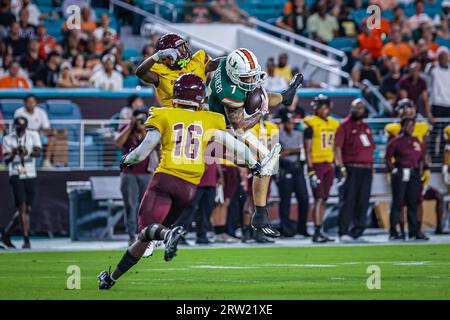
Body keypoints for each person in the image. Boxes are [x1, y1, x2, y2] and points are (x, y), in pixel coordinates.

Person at [97, 73, 227, 290]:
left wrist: (126, 159)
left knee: (147, 230)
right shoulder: (210, 119)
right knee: (146, 237)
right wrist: (255, 163)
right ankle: (111, 278)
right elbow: (233, 145)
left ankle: (169, 234)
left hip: (166, 178)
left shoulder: (163, 114)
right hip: (189, 187)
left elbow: (143, 151)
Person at [207, 48, 304, 238]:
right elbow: (240, 128)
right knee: (264, 164)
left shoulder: (226, 62)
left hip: (216, 116)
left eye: (251, 76)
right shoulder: (230, 92)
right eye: (246, 77)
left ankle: (285, 96)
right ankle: (260, 216)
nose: (250, 80)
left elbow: (209, 65)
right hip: (220, 128)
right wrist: (262, 112)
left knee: (257, 94)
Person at [135, 33, 221, 108]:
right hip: (172, 118)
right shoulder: (160, 70)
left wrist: (231, 57)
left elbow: (216, 63)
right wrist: (157, 55)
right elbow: (140, 73)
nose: (184, 52)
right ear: (165, 57)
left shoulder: (197, 60)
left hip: (197, 114)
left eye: (183, 47)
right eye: (179, 50)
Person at [115, 107, 157, 245]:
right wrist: (130, 126)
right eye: (139, 117)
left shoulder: (150, 132)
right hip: (129, 173)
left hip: (146, 173)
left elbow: (152, 145)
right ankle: (131, 235)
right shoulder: (127, 130)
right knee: (130, 206)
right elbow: (118, 143)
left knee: (145, 206)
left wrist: (145, 129)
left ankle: (144, 234)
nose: (141, 120)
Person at [334, 99, 374, 241]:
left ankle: (357, 231)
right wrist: (341, 167)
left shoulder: (366, 127)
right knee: (348, 200)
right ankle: (343, 231)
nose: (359, 110)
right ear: (351, 109)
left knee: (363, 200)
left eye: (361, 108)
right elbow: (337, 147)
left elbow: (370, 148)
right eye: (357, 107)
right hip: (351, 168)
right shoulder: (344, 126)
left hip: (366, 169)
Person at [1, 116, 42, 249]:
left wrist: (27, 152)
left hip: (30, 173)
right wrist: (14, 153)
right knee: (22, 207)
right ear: (15, 127)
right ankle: (26, 239)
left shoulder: (33, 135)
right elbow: (5, 160)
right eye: (18, 129)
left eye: (22, 129)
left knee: (27, 209)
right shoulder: (8, 139)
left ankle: (6, 234)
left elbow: (38, 152)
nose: (20, 132)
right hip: (16, 174)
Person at [385, 118, 428, 241]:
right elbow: (388, 157)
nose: (410, 128)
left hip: (413, 173)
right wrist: (393, 170)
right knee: (398, 203)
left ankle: (414, 231)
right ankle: (394, 231)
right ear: (402, 126)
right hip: (401, 172)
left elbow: (422, 158)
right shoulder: (396, 141)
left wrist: (419, 172)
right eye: (408, 125)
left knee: (413, 202)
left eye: (412, 125)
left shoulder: (416, 141)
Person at [304, 94, 339, 243]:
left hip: (328, 164)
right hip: (317, 164)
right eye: (320, 107)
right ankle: (316, 231)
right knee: (318, 198)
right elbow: (307, 150)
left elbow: (336, 146)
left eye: (325, 107)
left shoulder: (334, 123)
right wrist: (310, 169)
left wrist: (337, 164)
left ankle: (321, 229)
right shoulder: (310, 124)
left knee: (324, 198)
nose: (323, 110)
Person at [277, 113, 309, 237]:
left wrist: (289, 150)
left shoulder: (298, 134)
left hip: (298, 167)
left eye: (292, 122)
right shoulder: (279, 135)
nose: (291, 125)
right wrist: (288, 152)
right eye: (289, 122)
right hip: (286, 168)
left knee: (304, 198)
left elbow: (304, 149)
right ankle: (286, 229)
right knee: (285, 200)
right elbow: (277, 153)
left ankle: (302, 227)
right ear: (284, 123)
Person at [14, 94, 55, 168]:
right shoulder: (19, 112)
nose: (31, 104)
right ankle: (24, 163)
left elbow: (46, 128)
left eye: (33, 101)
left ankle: (46, 162)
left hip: (38, 135)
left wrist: (43, 132)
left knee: (52, 138)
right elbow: (19, 127)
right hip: (23, 135)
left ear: (36, 102)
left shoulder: (41, 112)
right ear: (25, 103)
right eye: (29, 102)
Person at [428, 47, 450, 161]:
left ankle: (441, 158)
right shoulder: (433, 69)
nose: (445, 58)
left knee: (445, 134)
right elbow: (427, 73)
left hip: (448, 105)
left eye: (446, 55)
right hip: (436, 104)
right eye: (442, 56)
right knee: (435, 132)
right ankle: (433, 157)